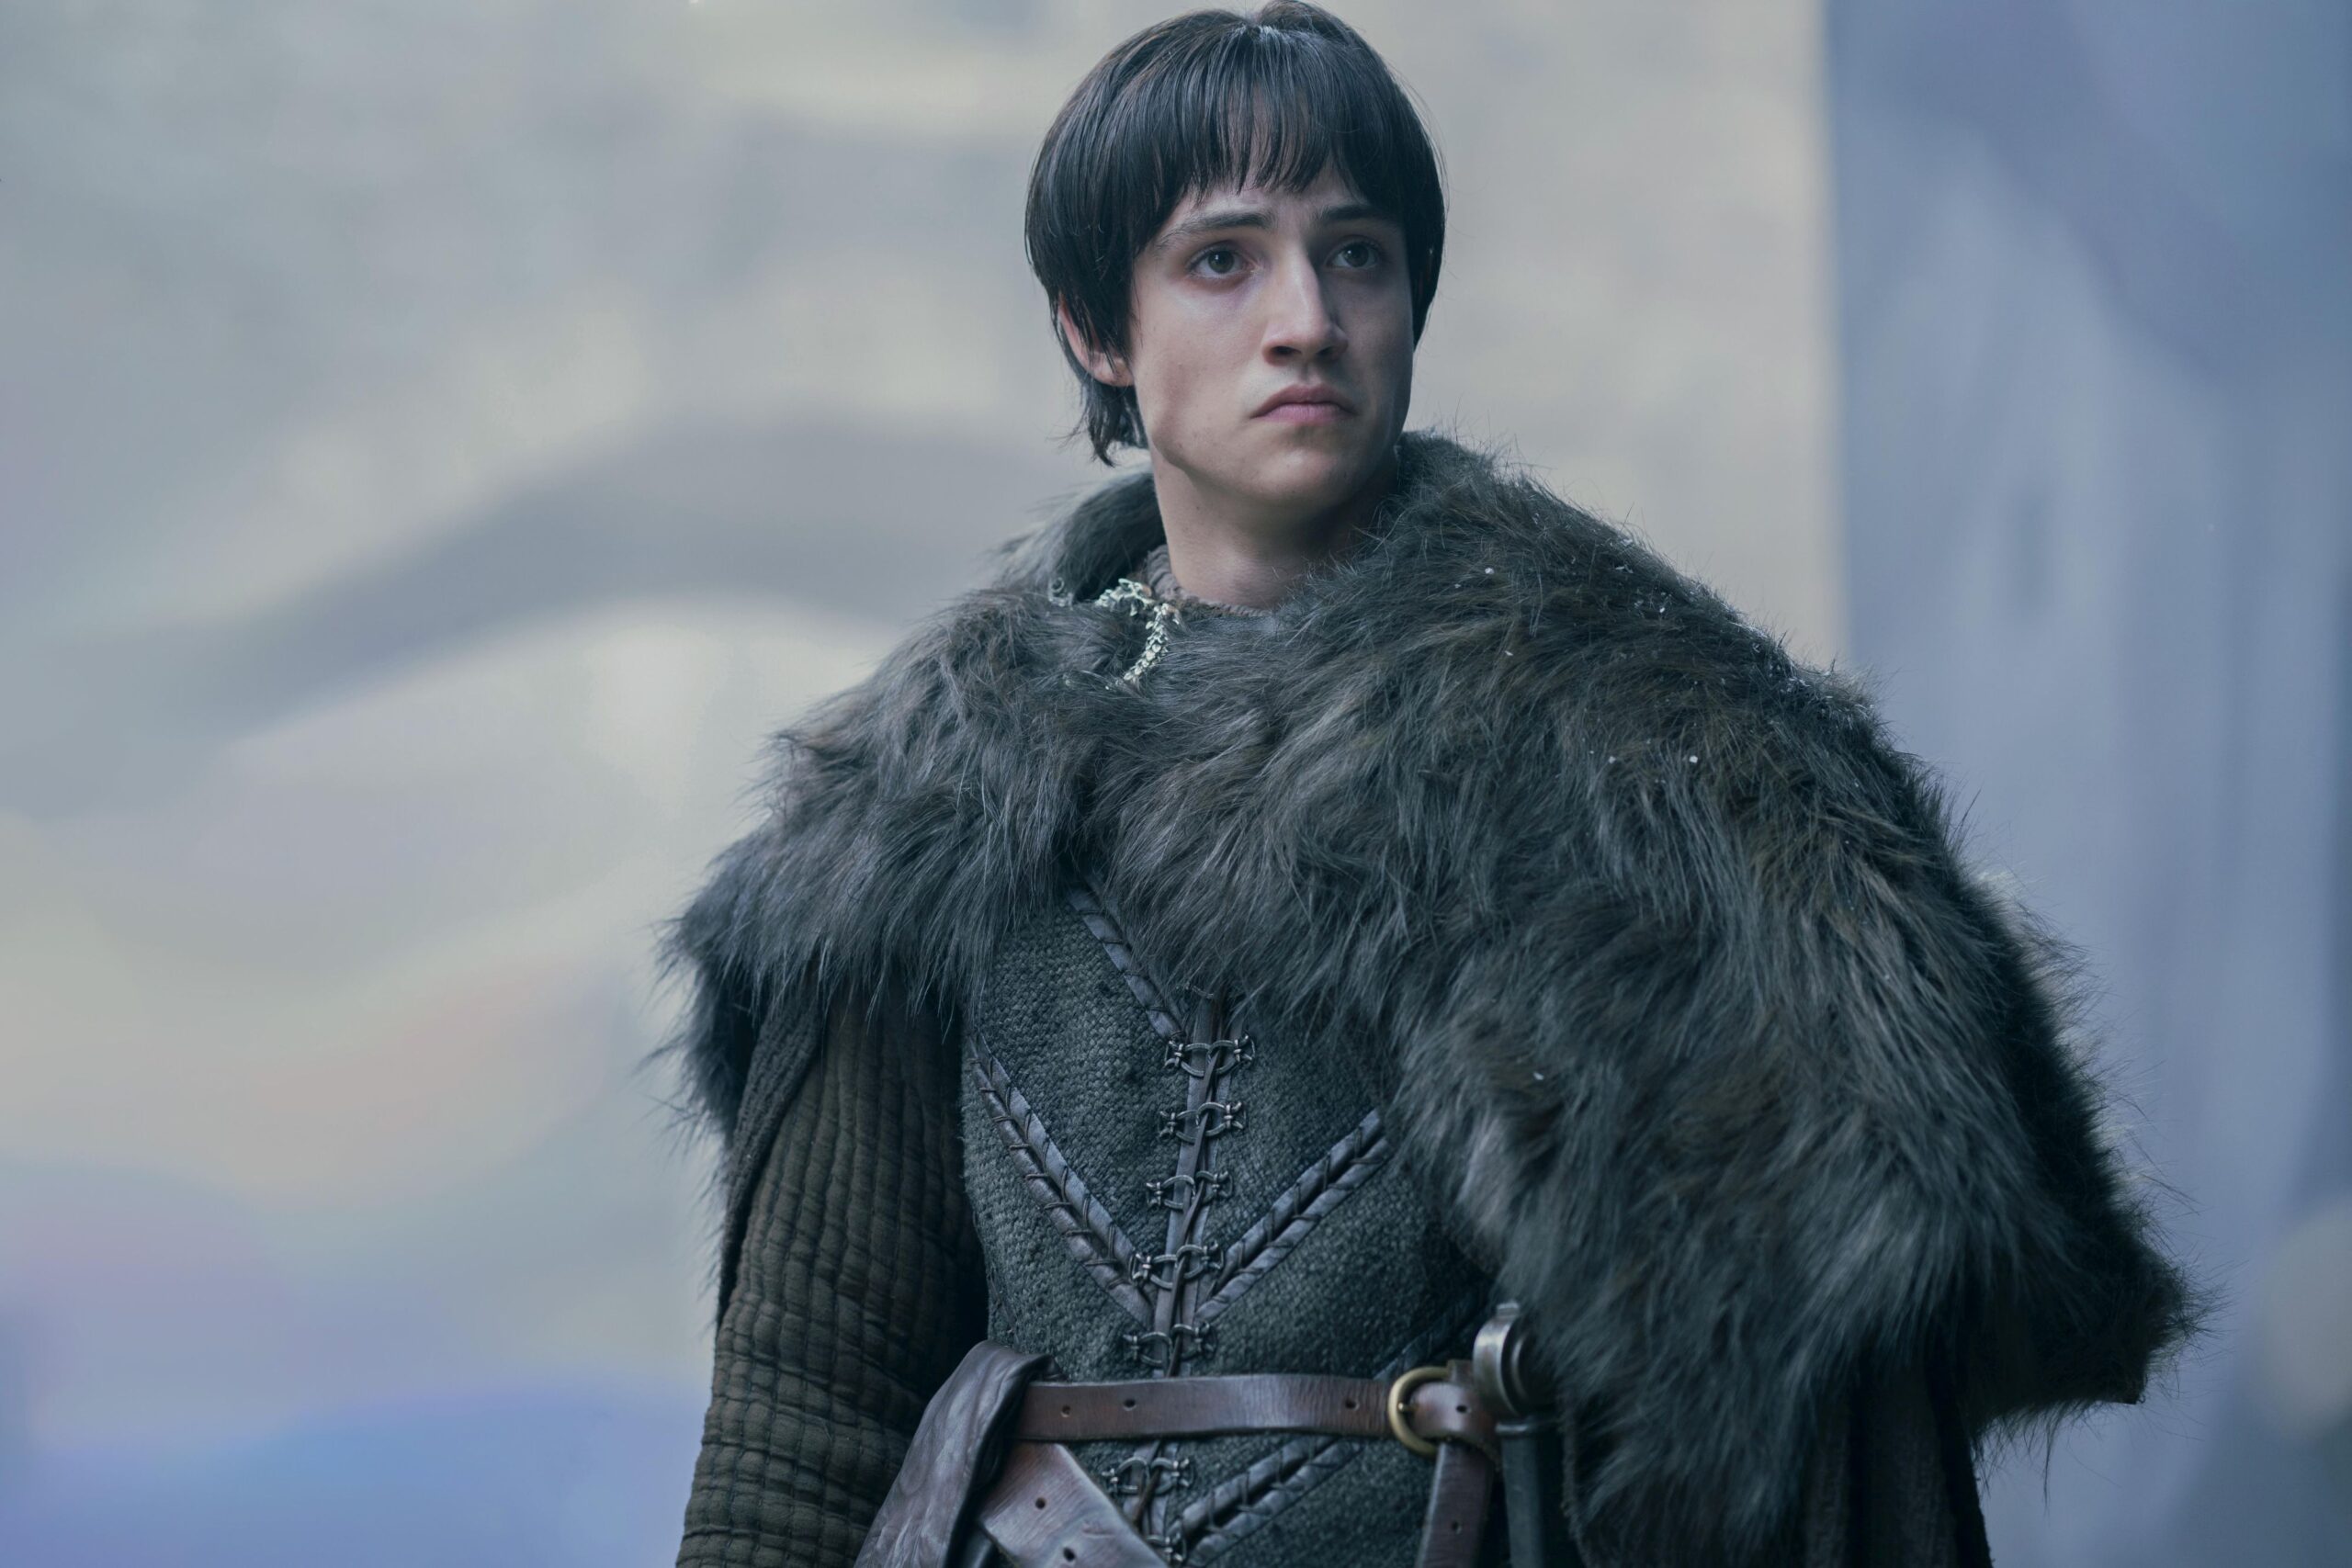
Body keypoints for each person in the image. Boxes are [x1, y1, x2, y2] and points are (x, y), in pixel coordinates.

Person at [666, 6, 2193, 1565]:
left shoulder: (1656, 767)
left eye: (1356, 254)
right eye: (1222, 260)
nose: (1306, 319)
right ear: (1096, 330)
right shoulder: (929, 808)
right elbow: (808, 1411)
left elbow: (1822, 1422)